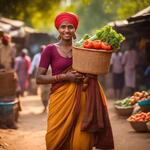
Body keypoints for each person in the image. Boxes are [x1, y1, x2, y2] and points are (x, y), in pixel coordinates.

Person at [36, 12, 114, 150]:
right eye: (63, 27)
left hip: (83, 97)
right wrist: (65, 77)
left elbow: (94, 69)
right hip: (60, 99)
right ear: (58, 29)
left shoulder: (83, 48)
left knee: (82, 140)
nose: (67, 30)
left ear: (75, 29)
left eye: (70, 27)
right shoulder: (50, 49)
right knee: (54, 138)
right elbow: (39, 78)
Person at [29, 45, 51, 112]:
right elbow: (33, 64)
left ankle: (46, 106)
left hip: (49, 74)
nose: (43, 51)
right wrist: (30, 72)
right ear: (40, 50)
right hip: (41, 74)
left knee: (48, 91)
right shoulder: (37, 56)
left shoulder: (49, 55)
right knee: (42, 92)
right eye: (42, 50)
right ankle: (44, 105)